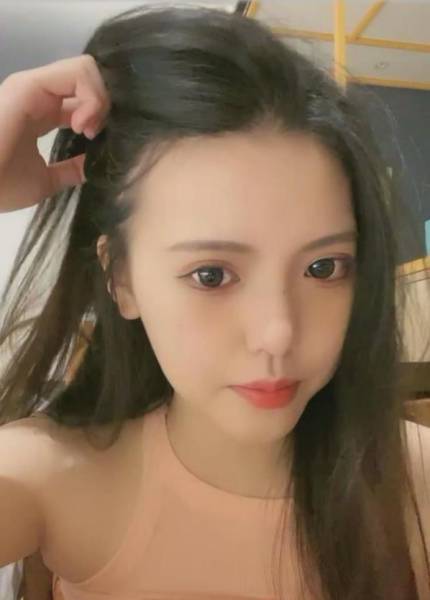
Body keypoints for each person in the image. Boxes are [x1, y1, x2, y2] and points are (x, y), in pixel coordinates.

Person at [0, 5, 429, 600]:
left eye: (323, 267)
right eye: (211, 275)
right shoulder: (52, 479)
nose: (278, 333)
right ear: (122, 278)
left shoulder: (416, 478)